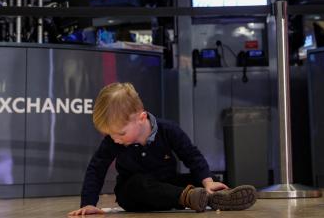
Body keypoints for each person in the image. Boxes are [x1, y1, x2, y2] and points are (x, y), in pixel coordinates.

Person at [68, 82, 257, 215]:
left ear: (141, 118)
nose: (116, 139)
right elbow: (96, 169)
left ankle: (213, 196)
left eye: (121, 133)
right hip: (136, 194)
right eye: (110, 135)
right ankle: (190, 197)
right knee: (135, 185)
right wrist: (88, 204)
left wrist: (207, 181)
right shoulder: (114, 141)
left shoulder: (168, 130)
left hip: (168, 184)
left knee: (207, 179)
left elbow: (191, 155)